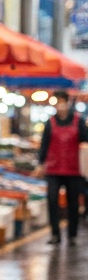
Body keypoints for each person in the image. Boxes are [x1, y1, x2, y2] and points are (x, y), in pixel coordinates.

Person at [33, 90, 87, 244]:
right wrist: (40, 164)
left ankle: (72, 235)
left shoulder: (79, 121)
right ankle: (55, 234)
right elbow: (44, 145)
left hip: (74, 169)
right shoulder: (49, 123)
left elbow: (85, 142)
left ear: (67, 103)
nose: (60, 106)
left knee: (73, 202)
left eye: (62, 102)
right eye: (57, 103)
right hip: (53, 168)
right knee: (52, 199)